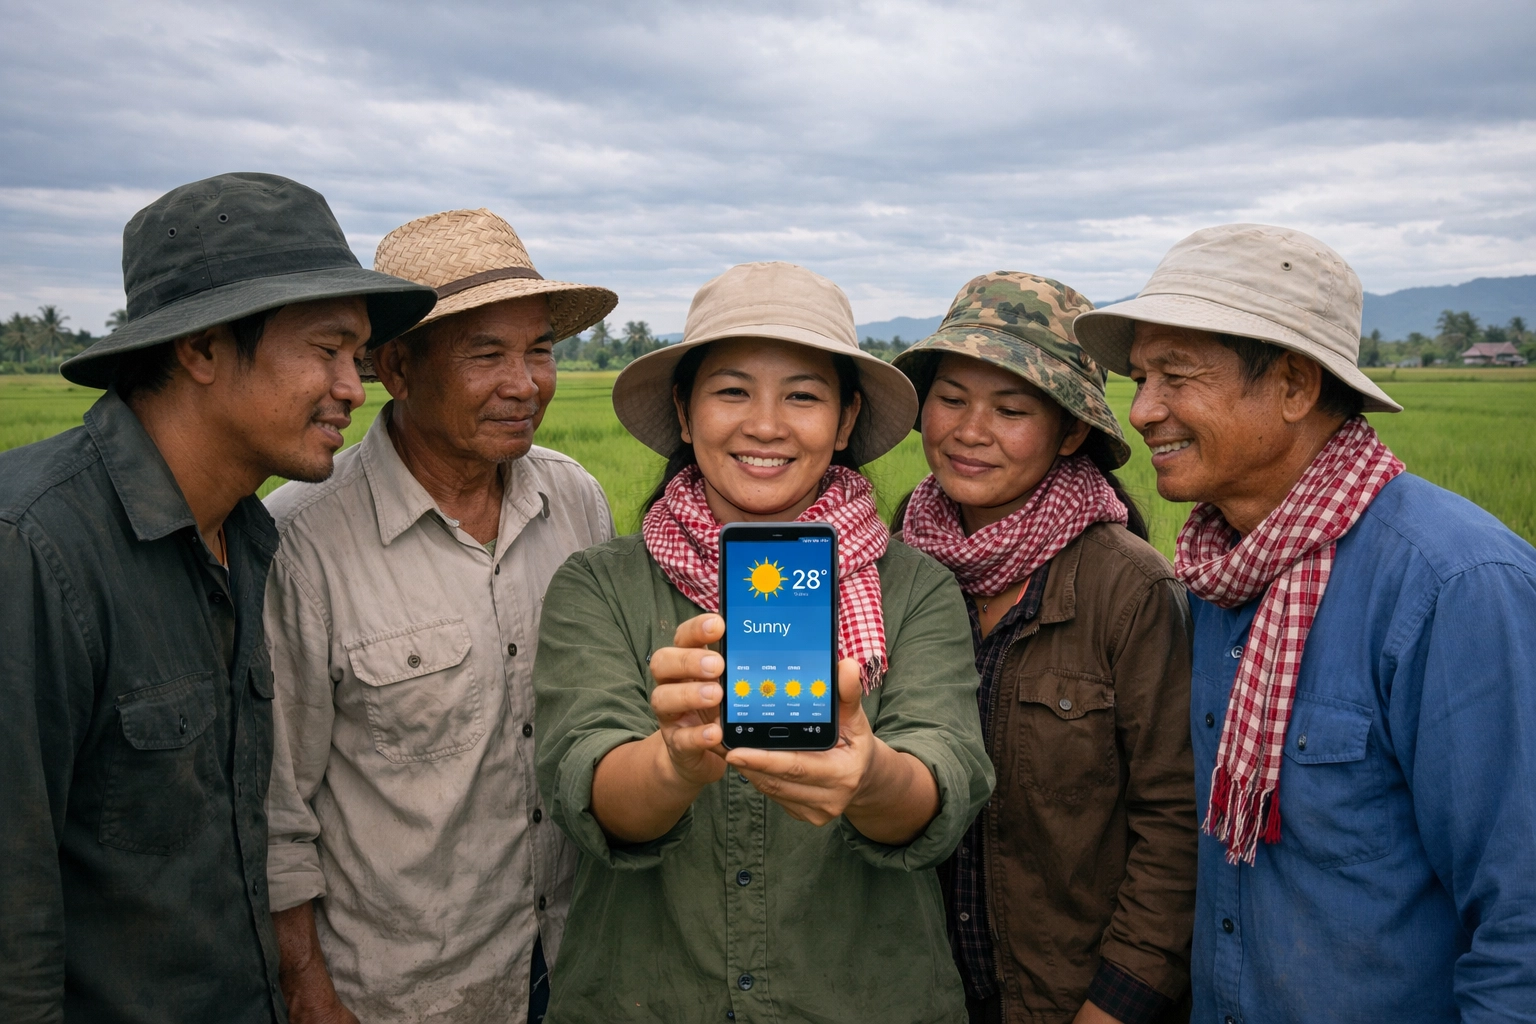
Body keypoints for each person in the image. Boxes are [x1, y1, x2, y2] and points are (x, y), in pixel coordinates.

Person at [0, 172, 434, 1023]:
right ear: (200, 349)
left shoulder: (250, 537)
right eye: (326, 348)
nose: (355, 386)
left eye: (358, 357)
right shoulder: (36, 552)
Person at [1074, 223, 1536, 1023]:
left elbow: (1522, 926)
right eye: (1141, 377)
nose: (1143, 410)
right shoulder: (1217, 575)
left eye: (1176, 376)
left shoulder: (1454, 587)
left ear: (1294, 384)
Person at [533, 261, 994, 1023]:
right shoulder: (601, 585)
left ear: (846, 422)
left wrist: (870, 772)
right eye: (732, 390)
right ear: (685, 412)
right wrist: (674, 761)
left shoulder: (915, 589)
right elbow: (588, 786)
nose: (767, 425)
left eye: (804, 396)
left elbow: (941, 784)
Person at [260, 208, 618, 1024]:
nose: (524, 383)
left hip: (575, 961)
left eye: (539, 350)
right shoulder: (304, 542)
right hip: (406, 989)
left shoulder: (575, 500)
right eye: (485, 354)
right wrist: (308, 992)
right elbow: (277, 811)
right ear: (396, 367)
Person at [890, 272, 1196, 1024]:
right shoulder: (886, 564)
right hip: (918, 990)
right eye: (951, 398)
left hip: (1067, 1001)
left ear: (1070, 433)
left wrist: (1113, 1006)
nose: (968, 430)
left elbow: (1174, 822)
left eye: (1012, 409)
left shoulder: (1129, 589)